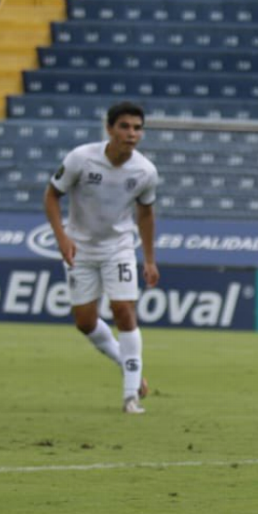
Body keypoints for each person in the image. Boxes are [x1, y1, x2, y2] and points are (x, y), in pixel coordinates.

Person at [43, 101, 160, 414]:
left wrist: (149, 259)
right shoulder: (81, 158)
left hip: (118, 247)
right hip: (79, 247)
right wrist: (62, 237)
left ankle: (130, 394)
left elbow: (146, 214)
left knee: (123, 309)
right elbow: (52, 196)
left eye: (137, 128)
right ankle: (127, 364)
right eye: (124, 126)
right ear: (109, 129)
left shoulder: (145, 171)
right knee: (85, 322)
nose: (131, 133)